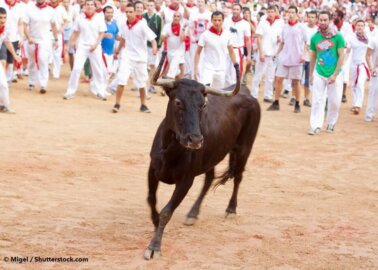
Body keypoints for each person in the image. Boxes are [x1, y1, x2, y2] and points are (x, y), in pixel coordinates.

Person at [112, 3, 157, 113]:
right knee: (122, 79)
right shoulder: (124, 25)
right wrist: (117, 51)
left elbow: (152, 39)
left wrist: (154, 48)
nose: (128, 14)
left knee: (141, 83)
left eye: (130, 12)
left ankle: (143, 105)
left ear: (135, 12)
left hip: (140, 59)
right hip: (127, 57)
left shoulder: (142, 25)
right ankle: (117, 104)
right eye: (126, 12)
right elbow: (123, 39)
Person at [308, 11, 345, 135]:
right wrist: (311, 74)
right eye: (321, 20)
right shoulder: (315, 38)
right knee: (317, 100)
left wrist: (334, 75)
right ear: (318, 20)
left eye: (325, 20)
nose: (323, 22)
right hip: (319, 72)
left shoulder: (338, 37)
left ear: (329, 20)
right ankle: (315, 125)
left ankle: (331, 123)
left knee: (334, 101)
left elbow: (341, 56)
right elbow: (313, 57)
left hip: (335, 74)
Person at [63, 0, 108, 100]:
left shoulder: (99, 17)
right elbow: (75, 32)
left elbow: (101, 33)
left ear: (95, 7)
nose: (89, 6)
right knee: (76, 68)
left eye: (92, 5)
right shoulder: (80, 18)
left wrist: (95, 45)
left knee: (98, 70)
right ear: (84, 6)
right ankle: (70, 91)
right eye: (87, 5)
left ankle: (100, 91)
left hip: (95, 47)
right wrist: (70, 43)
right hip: (82, 46)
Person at [267, 5, 307, 113]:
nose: (290, 14)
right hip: (284, 57)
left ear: (297, 14)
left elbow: (307, 43)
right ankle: (276, 102)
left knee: (296, 82)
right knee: (279, 79)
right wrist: (276, 53)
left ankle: (297, 104)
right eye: (289, 12)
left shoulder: (302, 27)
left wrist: (304, 55)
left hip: (297, 58)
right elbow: (282, 42)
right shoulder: (284, 27)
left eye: (293, 12)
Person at [23, 0, 59, 94]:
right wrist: (28, 37)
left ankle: (43, 84)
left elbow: (54, 25)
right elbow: (25, 25)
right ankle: (31, 81)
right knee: (31, 62)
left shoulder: (50, 10)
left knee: (42, 60)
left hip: (45, 41)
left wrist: (56, 39)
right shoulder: (29, 9)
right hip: (32, 40)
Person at [194, 11, 236, 89]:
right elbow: (198, 53)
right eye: (215, 20)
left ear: (223, 21)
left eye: (219, 20)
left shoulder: (227, 34)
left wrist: (236, 65)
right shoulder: (205, 35)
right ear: (211, 21)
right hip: (208, 68)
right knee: (204, 89)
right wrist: (195, 69)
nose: (217, 22)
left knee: (217, 93)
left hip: (221, 69)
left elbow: (231, 52)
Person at [250, 5, 283, 102]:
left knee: (270, 76)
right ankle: (254, 95)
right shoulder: (263, 22)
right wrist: (260, 53)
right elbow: (259, 38)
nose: (270, 13)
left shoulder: (279, 23)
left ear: (275, 12)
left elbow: (279, 38)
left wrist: (278, 40)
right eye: (269, 11)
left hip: (273, 54)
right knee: (258, 75)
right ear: (267, 12)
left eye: (272, 11)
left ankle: (268, 96)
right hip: (263, 52)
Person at [223, 3, 251, 86]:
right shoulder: (226, 20)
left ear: (241, 11)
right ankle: (224, 92)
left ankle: (233, 93)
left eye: (237, 9)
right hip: (226, 49)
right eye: (234, 9)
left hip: (237, 50)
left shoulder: (245, 24)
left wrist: (249, 55)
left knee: (235, 72)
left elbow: (248, 40)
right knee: (224, 71)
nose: (235, 11)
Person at [0, 7, 22, 113]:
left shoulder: (6, 28)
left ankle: (4, 106)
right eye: (0, 18)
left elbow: (7, 42)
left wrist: (15, 55)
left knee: (3, 84)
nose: (3, 20)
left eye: (4, 17)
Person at [349, 19, 370, 115]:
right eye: (358, 25)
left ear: (364, 27)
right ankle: (354, 103)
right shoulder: (352, 38)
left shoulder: (369, 38)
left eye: (362, 25)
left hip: (363, 64)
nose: (360, 27)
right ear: (355, 27)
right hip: (354, 64)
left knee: (360, 83)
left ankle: (358, 105)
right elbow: (347, 51)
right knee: (354, 84)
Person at [0, 0, 24, 83]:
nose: (3, 20)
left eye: (4, 18)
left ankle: (4, 82)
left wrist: (21, 36)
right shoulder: (1, 2)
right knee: (3, 61)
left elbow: (20, 23)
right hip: (3, 39)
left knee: (9, 63)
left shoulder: (19, 6)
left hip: (12, 37)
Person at [143, 0, 163, 94]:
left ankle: (150, 85)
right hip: (143, 45)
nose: (150, 7)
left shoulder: (158, 18)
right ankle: (142, 84)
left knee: (152, 65)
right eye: (148, 5)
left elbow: (160, 32)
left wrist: (158, 46)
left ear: (154, 6)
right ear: (146, 6)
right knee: (143, 64)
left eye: (152, 5)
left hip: (152, 46)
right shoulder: (142, 16)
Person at [188, 0, 211, 79]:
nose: (200, 3)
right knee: (194, 61)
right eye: (198, 2)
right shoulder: (193, 14)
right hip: (195, 41)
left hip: (206, 43)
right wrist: (191, 37)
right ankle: (194, 80)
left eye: (201, 2)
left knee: (204, 62)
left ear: (205, 4)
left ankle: (203, 81)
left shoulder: (209, 14)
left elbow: (211, 28)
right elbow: (190, 27)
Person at [161, 11, 187, 80]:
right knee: (179, 71)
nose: (176, 18)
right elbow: (161, 39)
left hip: (179, 51)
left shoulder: (183, 27)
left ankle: (168, 83)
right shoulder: (167, 26)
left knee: (172, 69)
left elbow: (182, 39)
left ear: (180, 18)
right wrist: (165, 36)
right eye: (175, 16)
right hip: (170, 51)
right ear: (172, 17)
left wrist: (183, 29)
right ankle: (179, 85)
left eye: (178, 16)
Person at [302, 10, 318, 107]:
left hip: (311, 58)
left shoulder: (318, 30)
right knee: (297, 78)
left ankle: (306, 98)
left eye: (313, 17)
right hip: (301, 56)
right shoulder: (302, 27)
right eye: (309, 17)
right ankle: (294, 97)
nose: (311, 19)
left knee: (308, 78)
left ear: (316, 19)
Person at [48, 0, 68, 80]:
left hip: (58, 33)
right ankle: (46, 69)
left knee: (57, 54)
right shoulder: (46, 7)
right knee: (46, 52)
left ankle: (56, 73)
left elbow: (66, 20)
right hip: (47, 32)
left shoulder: (61, 8)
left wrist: (62, 28)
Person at [101, 5, 119, 77]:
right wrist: (104, 35)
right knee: (106, 71)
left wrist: (124, 38)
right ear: (104, 13)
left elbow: (116, 37)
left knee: (108, 72)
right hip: (102, 51)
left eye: (111, 12)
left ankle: (101, 87)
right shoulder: (100, 24)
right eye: (108, 12)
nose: (110, 14)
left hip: (110, 52)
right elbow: (95, 36)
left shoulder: (114, 24)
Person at [365, 28, 378, 122]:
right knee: (373, 91)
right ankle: (370, 113)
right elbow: (367, 55)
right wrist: (371, 68)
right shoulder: (374, 40)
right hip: (376, 69)